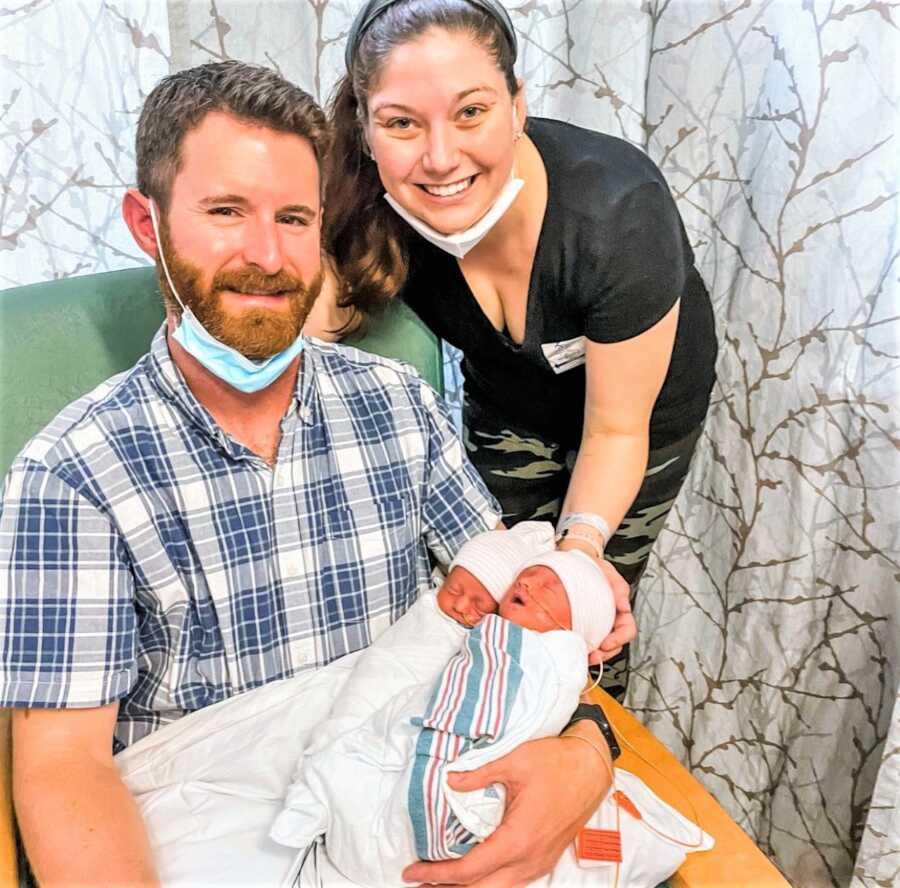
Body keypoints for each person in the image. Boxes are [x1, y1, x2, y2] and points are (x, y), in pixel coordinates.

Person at [0, 60, 624, 887]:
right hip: (216, 829)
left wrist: (587, 752)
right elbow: (63, 769)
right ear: (146, 225)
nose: (267, 254)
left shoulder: (399, 407)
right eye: (225, 211)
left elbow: (508, 609)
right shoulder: (70, 478)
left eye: (293, 218)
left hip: (409, 810)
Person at [326, 0, 719, 696]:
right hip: (509, 401)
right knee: (478, 587)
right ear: (366, 129)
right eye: (402, 123)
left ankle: (585, 754)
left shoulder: (617, 214)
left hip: (640, 422)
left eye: (470, 112)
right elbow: (299, 331)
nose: (440, 157)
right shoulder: (369, 207)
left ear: (517, 105)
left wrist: (577, 556)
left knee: (578, 609)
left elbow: (616, 428)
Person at [272, 545, 709, 888]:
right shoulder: (481, 639)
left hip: (466, 782)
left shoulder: (549, 656)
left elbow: (535, 701)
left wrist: (588, 744)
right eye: (525, 578)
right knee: (353, 755)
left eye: (549, 586)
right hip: (399, 743)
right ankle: (317, 805)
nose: (530, 583)